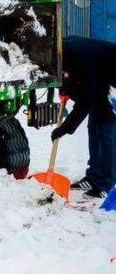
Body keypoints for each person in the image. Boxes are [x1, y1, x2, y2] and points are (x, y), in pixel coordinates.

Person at [51, 36, 116, 199]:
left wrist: (65, 128)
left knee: (104, 123)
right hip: (99, 67)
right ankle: (94, 176)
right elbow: (74, 85)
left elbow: (85, 101)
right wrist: (66, 88)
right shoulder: (59, 53)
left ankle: (106, 183)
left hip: (106, 67)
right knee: (94, 125)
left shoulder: (80, 61)